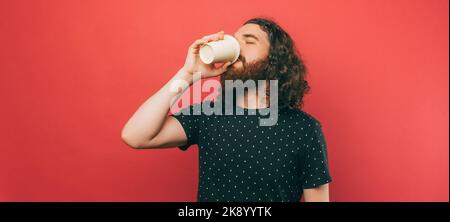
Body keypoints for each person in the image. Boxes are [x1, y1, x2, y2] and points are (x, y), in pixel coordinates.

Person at [121, 18, 332, 202]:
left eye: (248, 41)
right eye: (235, 40)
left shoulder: (305, 129)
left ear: (275, 58)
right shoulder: (207, 114)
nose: (237, 47)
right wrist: (188, 74)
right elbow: (135, 136)